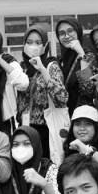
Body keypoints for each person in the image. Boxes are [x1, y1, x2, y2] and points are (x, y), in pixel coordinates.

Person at [17, 23, 68, 159]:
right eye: (29, 42)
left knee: (45, 166)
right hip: (24, 128)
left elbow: (62, 97)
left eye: (38, 42)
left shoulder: (51, 66)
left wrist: (42, 69)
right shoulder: (22, 68)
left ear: (45, 46)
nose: (33, 46)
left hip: (45, 129)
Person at [54, 18, 95, 115]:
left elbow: (88, 88)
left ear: (78, 32)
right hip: (64, 115)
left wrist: (81, 53)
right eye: (62, 33)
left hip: (83, 115)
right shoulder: (60, 60)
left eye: (70, 31)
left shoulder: (88, 55)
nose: (66, 36)